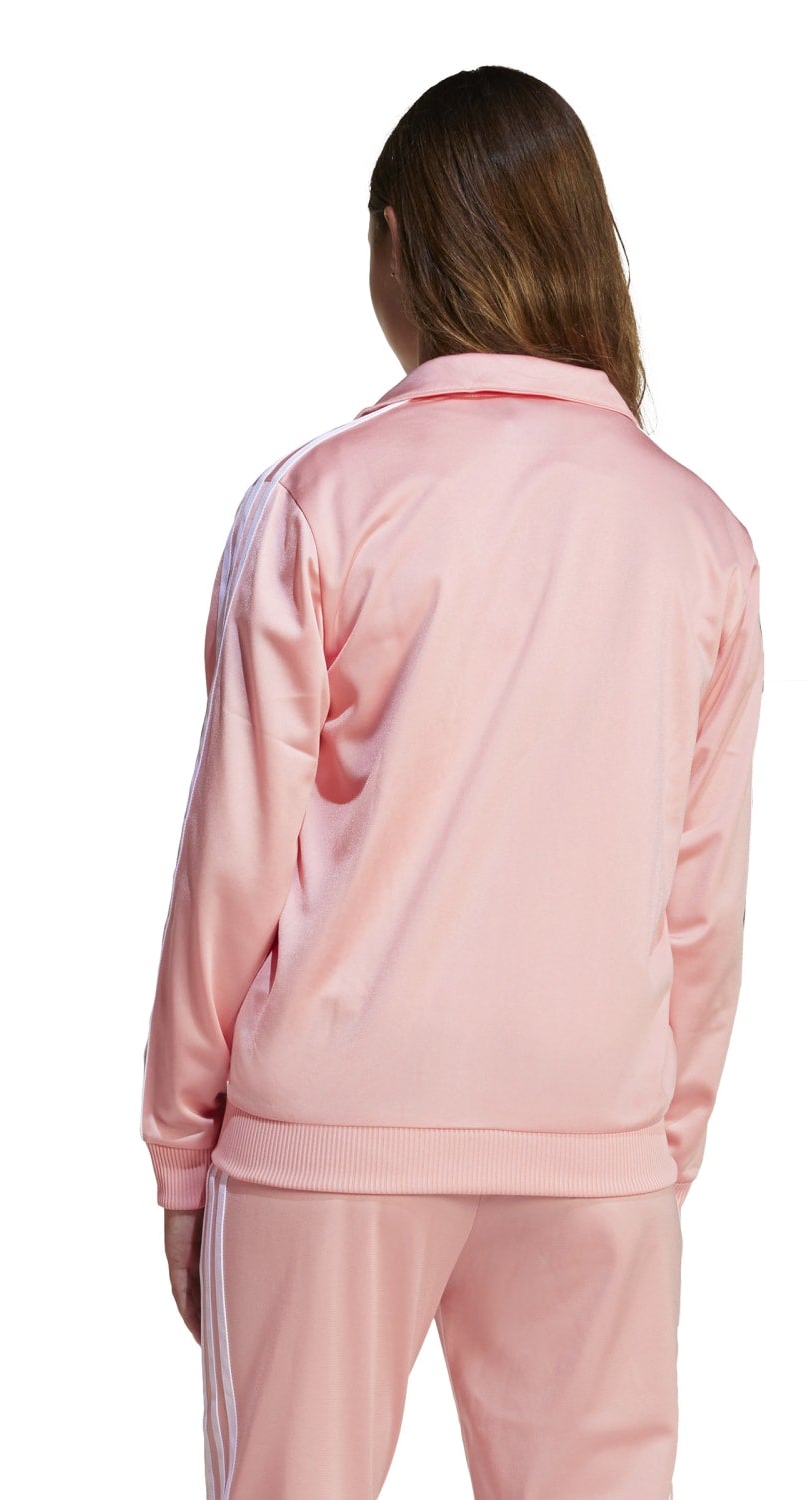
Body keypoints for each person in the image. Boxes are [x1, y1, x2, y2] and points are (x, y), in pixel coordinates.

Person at [140, 65, 765, 1500]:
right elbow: (701, 898)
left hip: (331, 1127)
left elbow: (233, 860)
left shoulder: (322, 502)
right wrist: (656, 1146)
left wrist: (182, 1148)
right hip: (593, 1128)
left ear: (395, 243)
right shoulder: (700, 535)